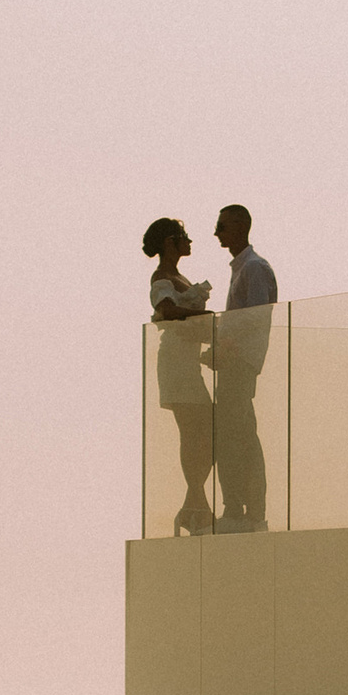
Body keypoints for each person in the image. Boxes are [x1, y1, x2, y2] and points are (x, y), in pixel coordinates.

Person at [143, 217, 214, 535]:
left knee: (205, 430)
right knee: (196, 429)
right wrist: (208, 317)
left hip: (187, 362)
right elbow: (168, 310)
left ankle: (193, 504)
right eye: (184, 236)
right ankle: (196, 504)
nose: (190, 241)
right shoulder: (162, 276)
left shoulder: (177, 275)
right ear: (170, 242)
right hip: (175, 361)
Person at [211, 203, 276, 530]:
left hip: (239, 365)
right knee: (237, 435)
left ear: (238, 227)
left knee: (237, 437)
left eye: (221, 226)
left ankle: (242, 510)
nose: (216, 233)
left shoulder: (253, 268)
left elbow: (255, 317)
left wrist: (226, 344)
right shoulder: (244, 267)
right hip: (235, 364)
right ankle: (242, 509)